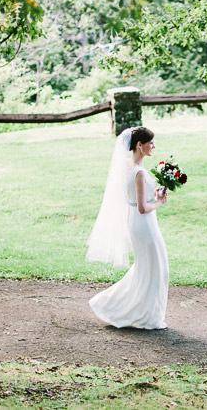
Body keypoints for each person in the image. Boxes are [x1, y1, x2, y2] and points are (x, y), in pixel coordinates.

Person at [85, 126, 169, 329]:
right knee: (157, 268)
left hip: (137, 222)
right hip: (144, 224)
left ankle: (136, 310)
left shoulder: (127, 165)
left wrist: (154, 195)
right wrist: (160, 202)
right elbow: (143, 208)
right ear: (139, 145)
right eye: (151, 143)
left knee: (146, 268)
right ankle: (135, 312)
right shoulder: (139, 172)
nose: (154, 146)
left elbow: (134, 197)